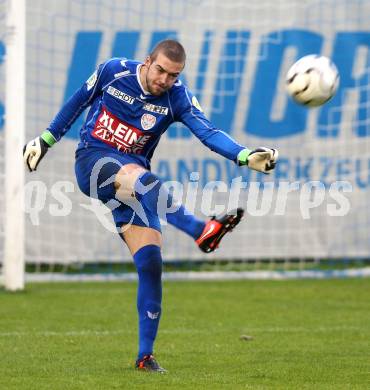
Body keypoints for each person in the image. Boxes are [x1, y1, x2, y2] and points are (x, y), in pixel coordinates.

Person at [23, 39, 278, 373]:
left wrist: (244, 155)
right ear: (147, 62)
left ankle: (145, 356)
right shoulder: (113, 71)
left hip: (131, 184)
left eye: (173, 75)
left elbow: (208, 132)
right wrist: (45, 140)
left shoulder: (177, 97)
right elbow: (76, 103)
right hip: (93, 162)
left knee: (151, 262)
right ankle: (201, 230)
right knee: (146, 180)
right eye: (161, 71)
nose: (165, 80)